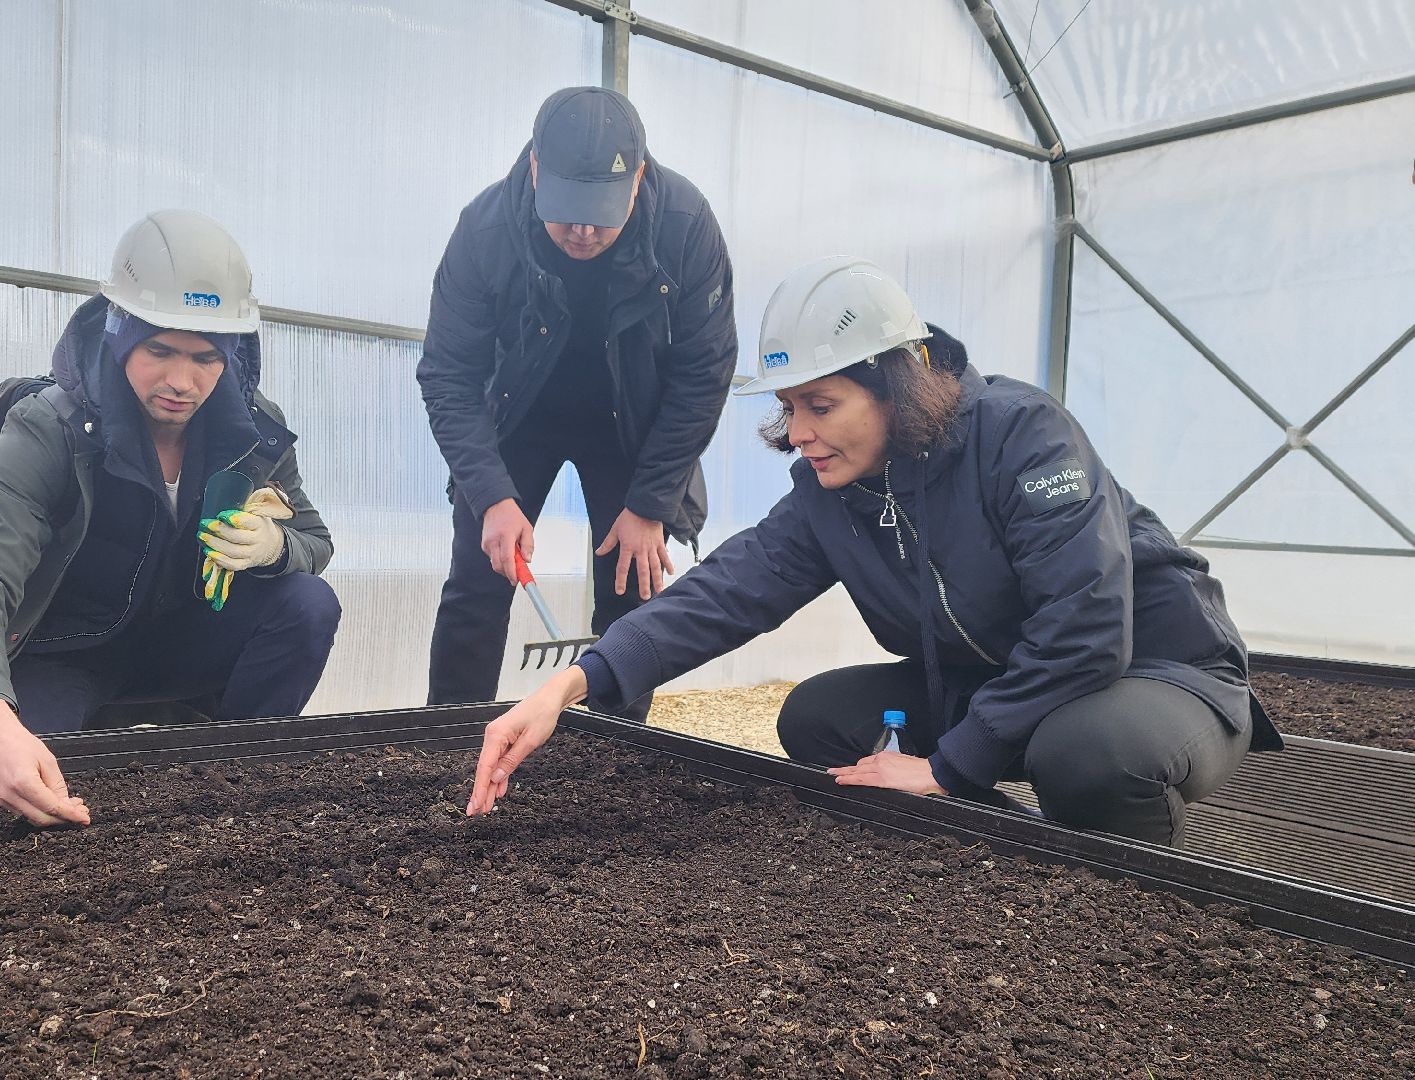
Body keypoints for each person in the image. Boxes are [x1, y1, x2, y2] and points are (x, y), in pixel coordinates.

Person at [467, 257, 1282, 846]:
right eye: (788, 408)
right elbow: (726, 591)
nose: (797, 434)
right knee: (817, 719)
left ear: (896, 383)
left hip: (1153, 674)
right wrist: (569, 686)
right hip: (1002, 679)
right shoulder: (835, 488)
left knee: (1085, 756)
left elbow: (1088, 629)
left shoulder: (1022, 438)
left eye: (820, 404)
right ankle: (1014, 852)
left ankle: (1139, 890)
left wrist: (946, 768)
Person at [0, 210, 340, 826]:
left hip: (180, 640)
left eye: (205, 357)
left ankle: (236, 790)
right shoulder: (51, 426)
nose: (180, 381)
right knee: (22, 803)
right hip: (63, 651)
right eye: (159, 350)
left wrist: (276, 546)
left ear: (233, 353)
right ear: (118, 335)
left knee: (307, 603)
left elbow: (313, 540)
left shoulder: (250, 430)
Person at [417, 86, 737, 721]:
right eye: (566, 211)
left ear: (639, 177)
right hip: (519, 413)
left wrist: (651, 502)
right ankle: (447, 740)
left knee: (631, 583)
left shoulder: (685, 225)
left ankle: (614, 748)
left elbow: (704, 373)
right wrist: (490, 496)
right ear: (536, 168)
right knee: (477, 584)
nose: (584, 231)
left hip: (630, 422)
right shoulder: (484, 230)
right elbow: (450, 376)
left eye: (601, 213)